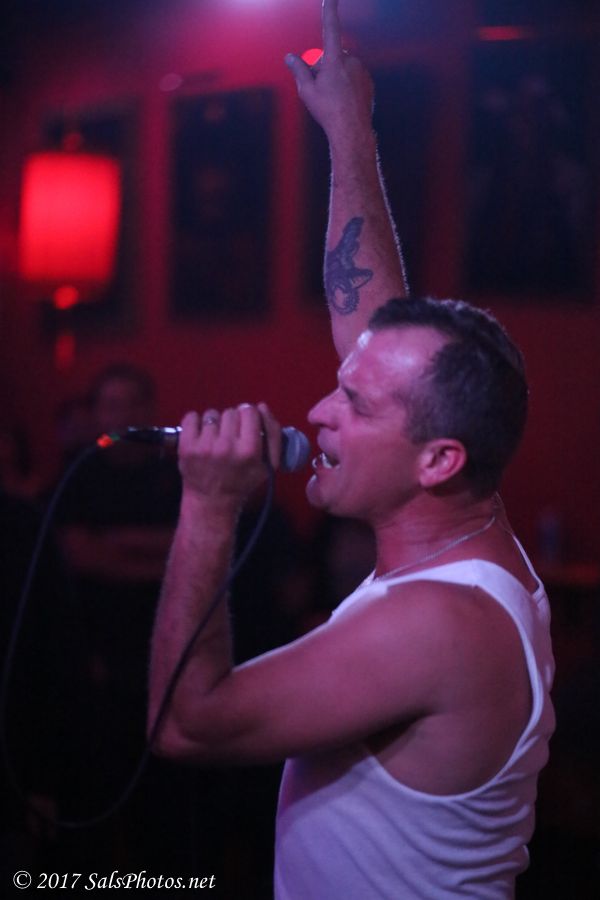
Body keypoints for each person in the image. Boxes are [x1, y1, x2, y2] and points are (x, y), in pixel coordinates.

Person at [148, 1, 555, 897]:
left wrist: (210, 504)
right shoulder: (463, 530)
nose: (318, 410)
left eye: (353, 403)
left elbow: (188, 724)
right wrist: (347, 128)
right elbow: (377, 328)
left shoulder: (438, 624)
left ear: (438, 460)